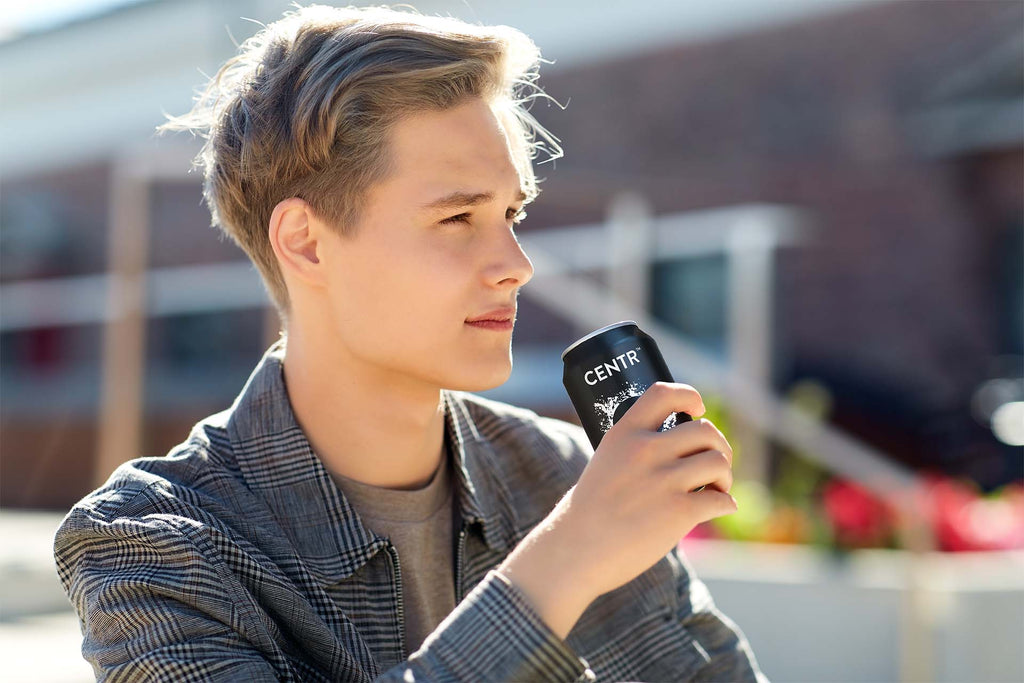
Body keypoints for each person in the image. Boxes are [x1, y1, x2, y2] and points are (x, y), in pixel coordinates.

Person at [54, 5, 767, 681]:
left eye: (511, 213)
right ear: (305, 243)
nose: (516, 263)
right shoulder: (151, 543)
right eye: (458, 217)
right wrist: (568, 559)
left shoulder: (564, 475)